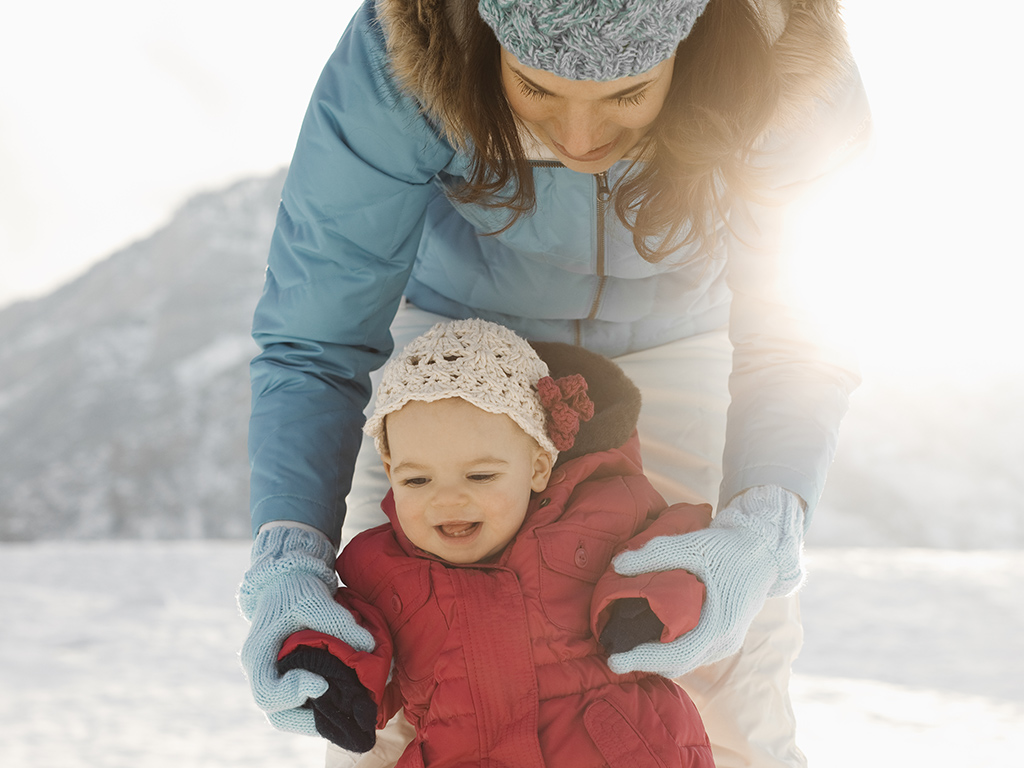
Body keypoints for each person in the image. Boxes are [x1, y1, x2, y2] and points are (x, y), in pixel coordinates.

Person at [237, 1, 871, 766]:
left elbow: (800, 333)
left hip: (683, 337)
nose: (581, 143)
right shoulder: (411, 49)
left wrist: (761, 525)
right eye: (535, 91)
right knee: (384, 662)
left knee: (729, 660)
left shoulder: (783, 65)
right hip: (457, 354)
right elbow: (315, 339)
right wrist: (290, 559)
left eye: (628, 94)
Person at [273, 318, 716, 766]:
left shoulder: (598, 509)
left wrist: (645, 600)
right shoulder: (380, 568)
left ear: (539, 466)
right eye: (417, 479)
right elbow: (350, 636)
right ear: (390, 475)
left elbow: (678, 540)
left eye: (480, 475)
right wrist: (327, 670)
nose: (447, 500)